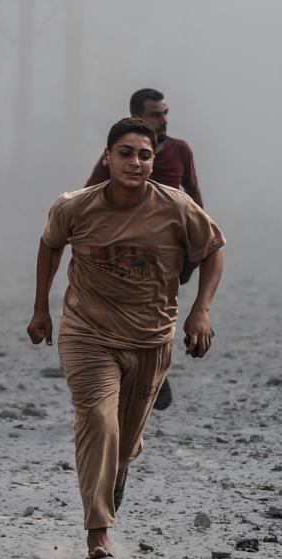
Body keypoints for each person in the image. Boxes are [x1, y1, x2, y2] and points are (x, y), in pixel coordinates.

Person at [29, 116, 225, 559]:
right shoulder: (75, 207)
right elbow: (50, 245)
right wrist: (41, 308)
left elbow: (213, 248)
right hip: (88, 333)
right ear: (107, 156)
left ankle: (116, 475)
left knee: (125, 440)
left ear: (154, 161)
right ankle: (98, 538)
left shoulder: (177, 208)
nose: (135, 162)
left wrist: (202, 310)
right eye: (125, 153)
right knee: (97, 418)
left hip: (151, 339)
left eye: (145, 155)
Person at [84, 89, 204, 411]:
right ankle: (128, 379)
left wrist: (197, 245)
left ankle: (151, 376)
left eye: (165, 113)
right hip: (126, 249)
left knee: (155, 313)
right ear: (137, 117)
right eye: (155, 114)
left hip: (168, 252)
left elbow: (193, 196)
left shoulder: (180, 151)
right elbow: (91, 195)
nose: (163, 120)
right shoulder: (120, 156)